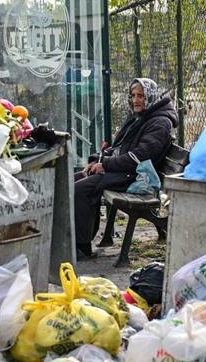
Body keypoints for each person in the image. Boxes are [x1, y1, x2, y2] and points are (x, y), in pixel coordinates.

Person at [74, 78, 177, 259]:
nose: (136, 100)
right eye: (133, 95)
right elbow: (120, 147)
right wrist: (96, 160)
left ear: (151, 97)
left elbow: (140, 157)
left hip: (137, 178)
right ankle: (74, 238)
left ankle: (82, 246)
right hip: (125, 171)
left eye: (141, 96)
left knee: (79, 189)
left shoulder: (160, 122)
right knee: (73, 179)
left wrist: (105, 165)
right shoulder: (141, 117)